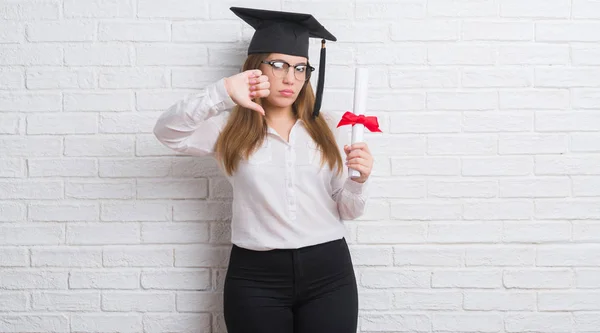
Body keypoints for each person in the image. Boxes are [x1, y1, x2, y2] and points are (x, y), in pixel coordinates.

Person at [153, 6, 374, 333]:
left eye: (301, 68)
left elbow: (348, 210)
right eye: (279, 65)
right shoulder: (227, 129)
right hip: (256, 278)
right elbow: (168, 131)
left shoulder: (327, 128)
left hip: (330, 274)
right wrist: (223, 92)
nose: (290, 78)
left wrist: (360, 181)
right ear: (256, 68)